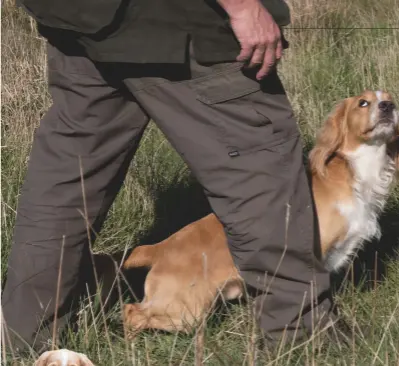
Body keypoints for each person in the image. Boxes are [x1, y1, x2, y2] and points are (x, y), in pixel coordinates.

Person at [1, 0, 336, 354]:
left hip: (79, 21)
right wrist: (243, 7)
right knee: (259, 172)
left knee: (65, 183)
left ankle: (19, 336)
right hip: (177, 22)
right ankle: (302, 338)